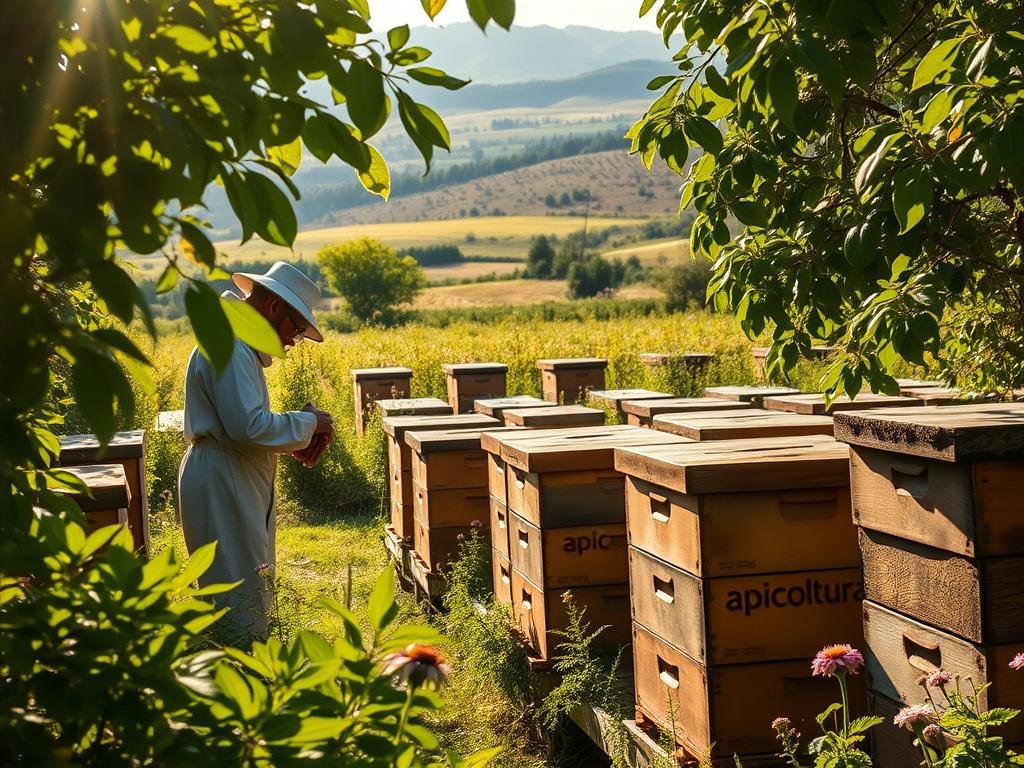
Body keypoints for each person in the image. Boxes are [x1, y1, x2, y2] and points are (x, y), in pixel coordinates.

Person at [178, 261, 334, 644]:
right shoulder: (230, 345)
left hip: (229, 473)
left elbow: (244, 427)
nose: (293, 341)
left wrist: (293, 438)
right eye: (296, 328)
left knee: (245, 583)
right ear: (273, 307)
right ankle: (239, 681)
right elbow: (247, 426)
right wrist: (309, 422)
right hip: (223, 479)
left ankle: (243, 675)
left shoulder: (236, 344)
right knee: (235, 590)